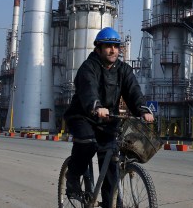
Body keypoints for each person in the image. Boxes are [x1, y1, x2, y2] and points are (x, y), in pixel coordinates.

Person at [63, 27, 154, 201]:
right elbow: (88, 88)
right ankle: (73, 177)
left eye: (116, 46)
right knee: (88, 142)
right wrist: (96, 105)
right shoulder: (89, 67)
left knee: (112, 162)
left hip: (107, 120)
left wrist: (142, 109)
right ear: (98, 48)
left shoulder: (123, 70)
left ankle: (108, 203)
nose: (113, 50)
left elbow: (133, 90)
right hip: (83, 116)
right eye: (107, 46)